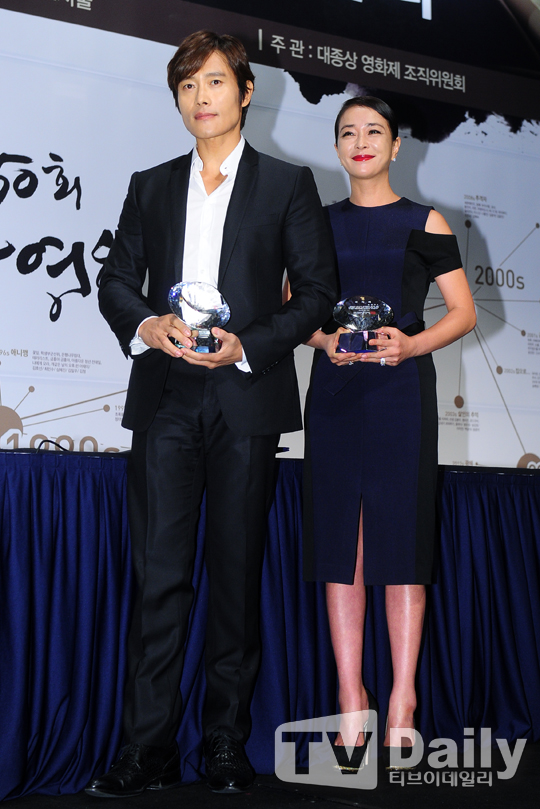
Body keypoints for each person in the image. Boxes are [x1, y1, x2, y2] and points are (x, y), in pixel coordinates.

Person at [86, 30, 337, 798]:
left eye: (216, 81)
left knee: (234, 575)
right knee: (158, 578)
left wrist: (246, 346)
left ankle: (225, 741)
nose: (201, 97)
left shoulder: (287, 184)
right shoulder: (151, 185)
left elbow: (317, 294)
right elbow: (117, 280)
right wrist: (148, 324)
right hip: (166, 397)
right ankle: (147, 747)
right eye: (188, 85)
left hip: (244, 397)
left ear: (246, 91)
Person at [302, 96, 476, 770]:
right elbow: (294, 309)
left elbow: (461, 311)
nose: (361, 141)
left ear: (396, 146)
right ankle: (352, 696)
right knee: (340, 548)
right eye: (348, 132)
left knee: (401, 544)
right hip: (336, 393)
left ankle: (402, 698)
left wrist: (412, 344)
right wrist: (325, 340)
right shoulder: (316, 223)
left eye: (374, 131)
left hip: (401, 392)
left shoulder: (424, 220)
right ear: (336, 147)